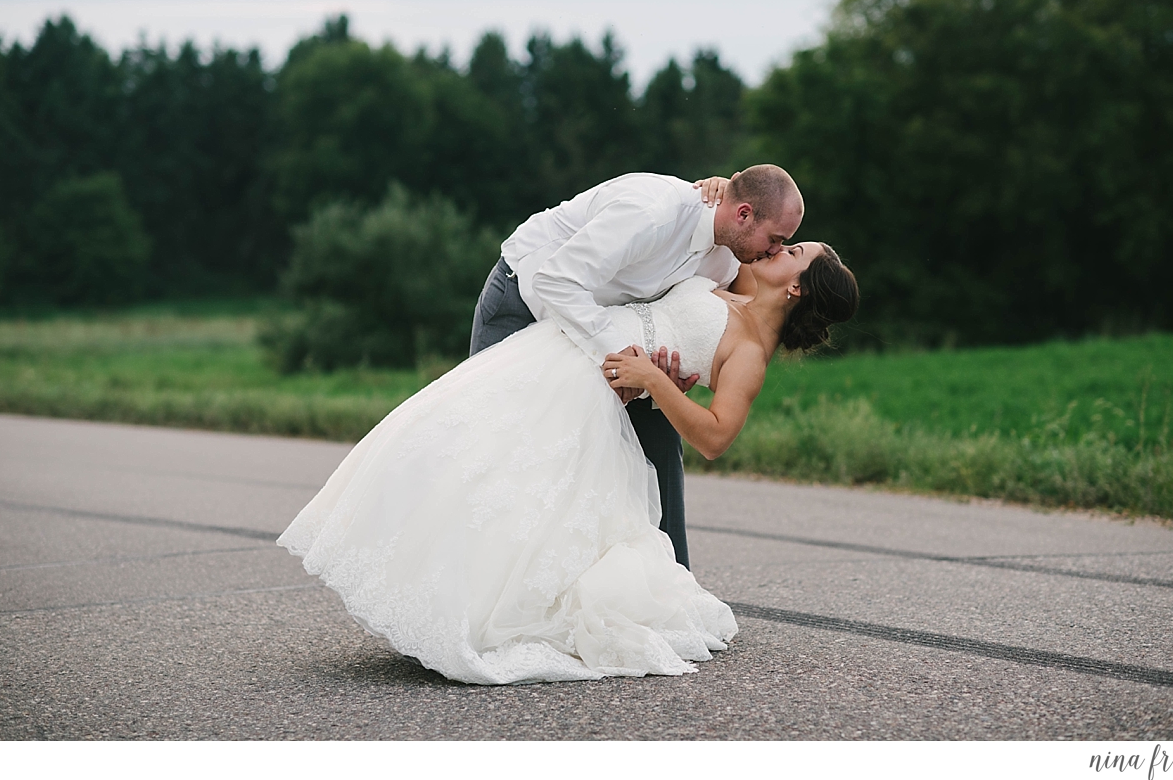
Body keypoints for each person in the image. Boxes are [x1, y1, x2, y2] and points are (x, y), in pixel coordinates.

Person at [278, 240, 859, 684]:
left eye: (797, 251)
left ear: (798, 289)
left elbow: (714, 436)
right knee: (456, 447)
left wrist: (655, 379)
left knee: (510, 483)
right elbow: (713, 229)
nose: (783, 246)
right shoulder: (727, 284)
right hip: (563, 350)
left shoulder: (751, 354)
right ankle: (428, 589)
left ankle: (471, 615)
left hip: (593, 390)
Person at [469, 165, 804, 570]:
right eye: (775, 240)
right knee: (499, 451)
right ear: (744, 214)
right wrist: (625, 363)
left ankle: (669, 587)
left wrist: (664, 371)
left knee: (658, 436)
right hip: (524, 301)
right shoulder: (651, 213)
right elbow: (555, 281)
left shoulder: (728, 258)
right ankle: (482, 581)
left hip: (608, 337)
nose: (774, 251)